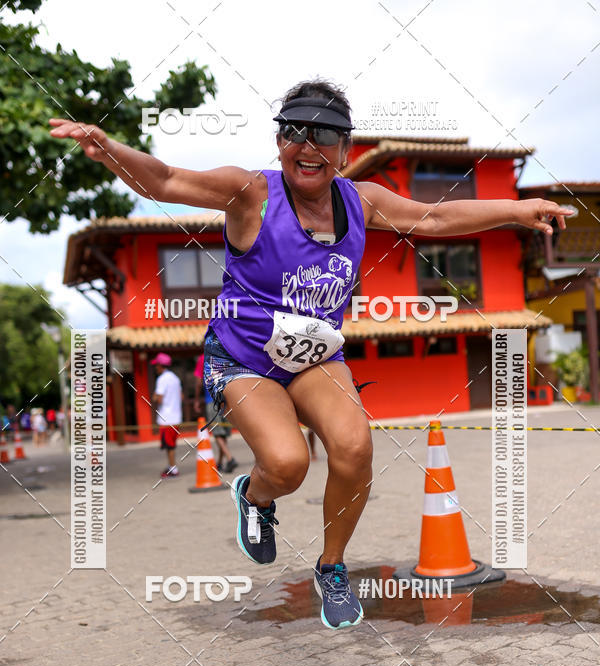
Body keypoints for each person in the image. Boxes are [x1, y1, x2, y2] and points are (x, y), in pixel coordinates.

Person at [49, 80, 573, 629]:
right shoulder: (250, 193)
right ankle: (254, 496)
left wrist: (517, 209)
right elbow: (166, 179)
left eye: (324, 134)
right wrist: (108, 147)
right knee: (288, 464)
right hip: (243, 356)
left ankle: (332, 567)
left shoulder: (361, 200)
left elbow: (435, 219)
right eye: (293, 131)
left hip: (315, 355)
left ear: (345, 150)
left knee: (354, 447)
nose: (307, 145)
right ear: (279, 143)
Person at [194, 354, 237, 473]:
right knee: (223, 432)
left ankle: (230, 458)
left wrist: (197, 399)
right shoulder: (223, 355)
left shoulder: (202, 358)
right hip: (226, 399)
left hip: (211, 401)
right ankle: (220, 462)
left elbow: (198, 382)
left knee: (217, 432)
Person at [150, 353, 182, 478]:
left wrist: (154, 397)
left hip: (166, 418)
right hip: (176, 417)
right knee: (171, 445)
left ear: (160, 365)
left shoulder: (162, 379)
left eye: (156, 365)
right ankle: (171, 466)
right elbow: (181, 396)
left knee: (169, 446)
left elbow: (159, 399)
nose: (155, 368)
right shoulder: (175, 378)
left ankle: (173, 469)